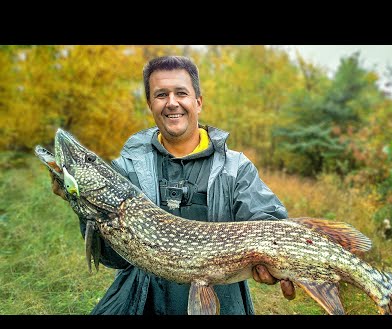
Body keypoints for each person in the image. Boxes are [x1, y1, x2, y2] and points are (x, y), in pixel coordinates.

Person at [52, 55, 295, 315]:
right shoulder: (127, 169)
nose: (171, 103)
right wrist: (83, 206)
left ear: (198, 102)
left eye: (181, 93)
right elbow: (113, 259)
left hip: (223, 302)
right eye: (161, 95)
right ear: (150, 104)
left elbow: (270, 225)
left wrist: (275, 263)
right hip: (145, 301)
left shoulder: (235, 168)